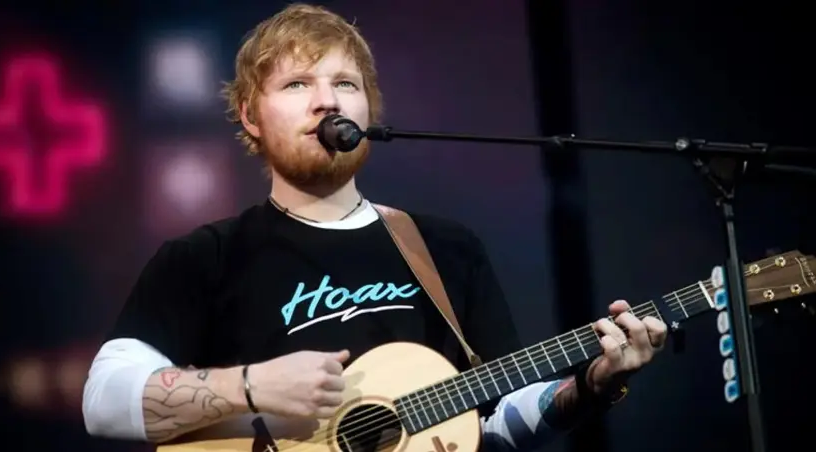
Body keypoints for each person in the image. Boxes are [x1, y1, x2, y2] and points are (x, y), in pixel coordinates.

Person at [81, 3, 668, 451]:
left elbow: (496, 420)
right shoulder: (204, 257)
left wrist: (590, 386)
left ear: (368, 110)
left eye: (345, 83)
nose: (326, 102)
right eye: (297, 84)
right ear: (250, 117)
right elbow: (103, 401)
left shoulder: (444, 249)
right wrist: (252, 386)